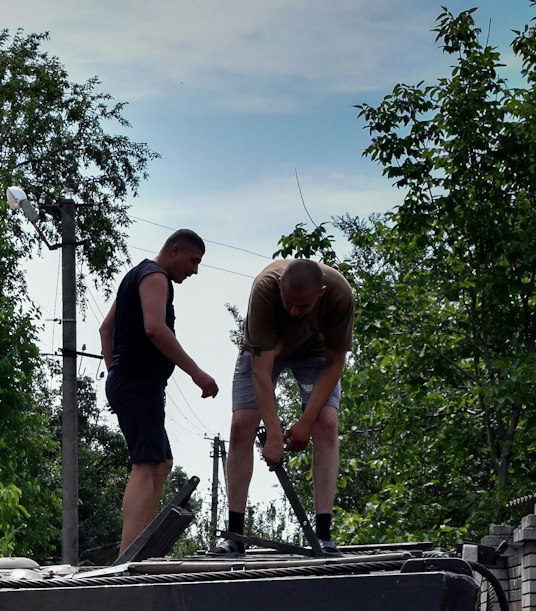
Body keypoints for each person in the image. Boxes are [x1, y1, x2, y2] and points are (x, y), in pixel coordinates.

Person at [219, 257, 355, 556]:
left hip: (317, 351)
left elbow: (335, 363)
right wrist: (275, 434)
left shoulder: (339, 294)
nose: (294, 311)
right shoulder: (264, 289)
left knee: (327, 424)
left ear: (319, 294)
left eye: (303, 307)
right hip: (267, 351)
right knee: (242, 424)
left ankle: (324, 535)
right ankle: (235, 535)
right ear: (280, 286)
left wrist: (305, 423)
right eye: (288, 303)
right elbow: (261, 370)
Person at [96, 229, 219, 556]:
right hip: (137, 383)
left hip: (132, 382)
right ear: (175, 250)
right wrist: (197, 373)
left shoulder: (134, 276)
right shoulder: (155, 277)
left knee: (162, 462)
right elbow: (155, 328)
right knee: (147, 464)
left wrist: (114, 374)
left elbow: (105, 329)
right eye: (194, 261)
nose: (194, 270)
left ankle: (140, 549)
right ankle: (126, 558)